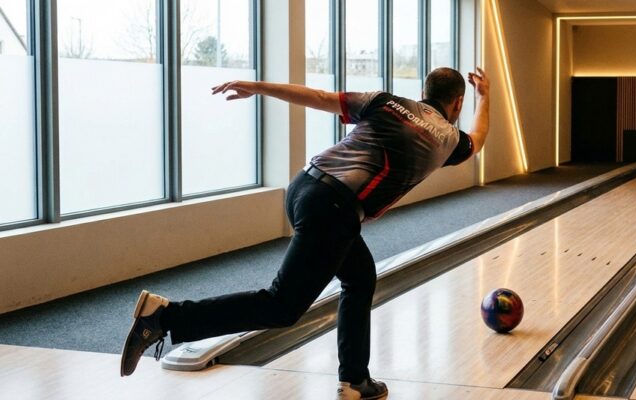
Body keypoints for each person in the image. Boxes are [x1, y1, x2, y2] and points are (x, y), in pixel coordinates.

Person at [120, 67, 490, 400]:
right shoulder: (449, 139)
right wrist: (486, 98)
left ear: (423, 91)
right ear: (458, 103)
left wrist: (258, 86)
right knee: (281, 306)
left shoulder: (386, 101)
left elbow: (318, 97)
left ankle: (355, 380)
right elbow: (479, 138)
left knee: (360, 278)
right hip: (334, 207)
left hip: (304, 187)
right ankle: (165, 317)